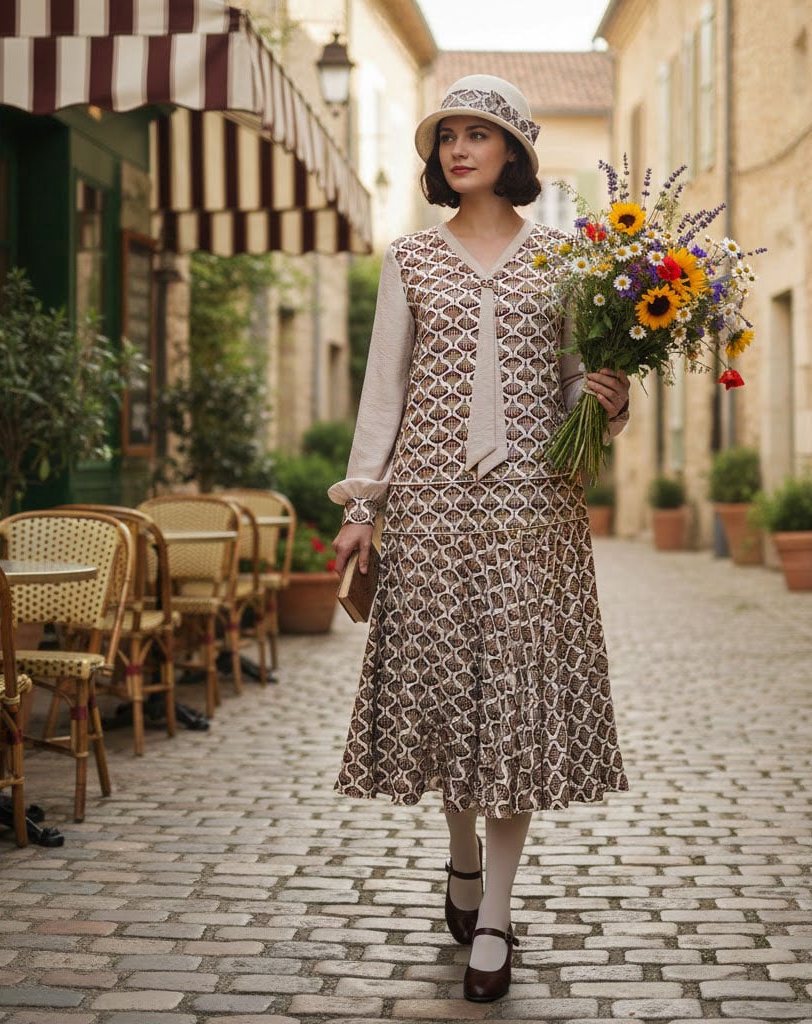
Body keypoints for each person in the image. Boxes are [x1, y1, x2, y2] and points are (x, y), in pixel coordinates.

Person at [329, 74, 630, 1003]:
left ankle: (493, 914)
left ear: (514, 153)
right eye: (448, 136)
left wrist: (608, 396)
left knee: (516, 707)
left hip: (535, 512)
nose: (459, 149)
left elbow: (576, 386)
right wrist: (361, 506)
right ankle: (460, 853)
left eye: (478, 135)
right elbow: (383, 390)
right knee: (447, 700)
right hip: (430, 508)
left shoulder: (566, 263)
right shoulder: (410, 259)